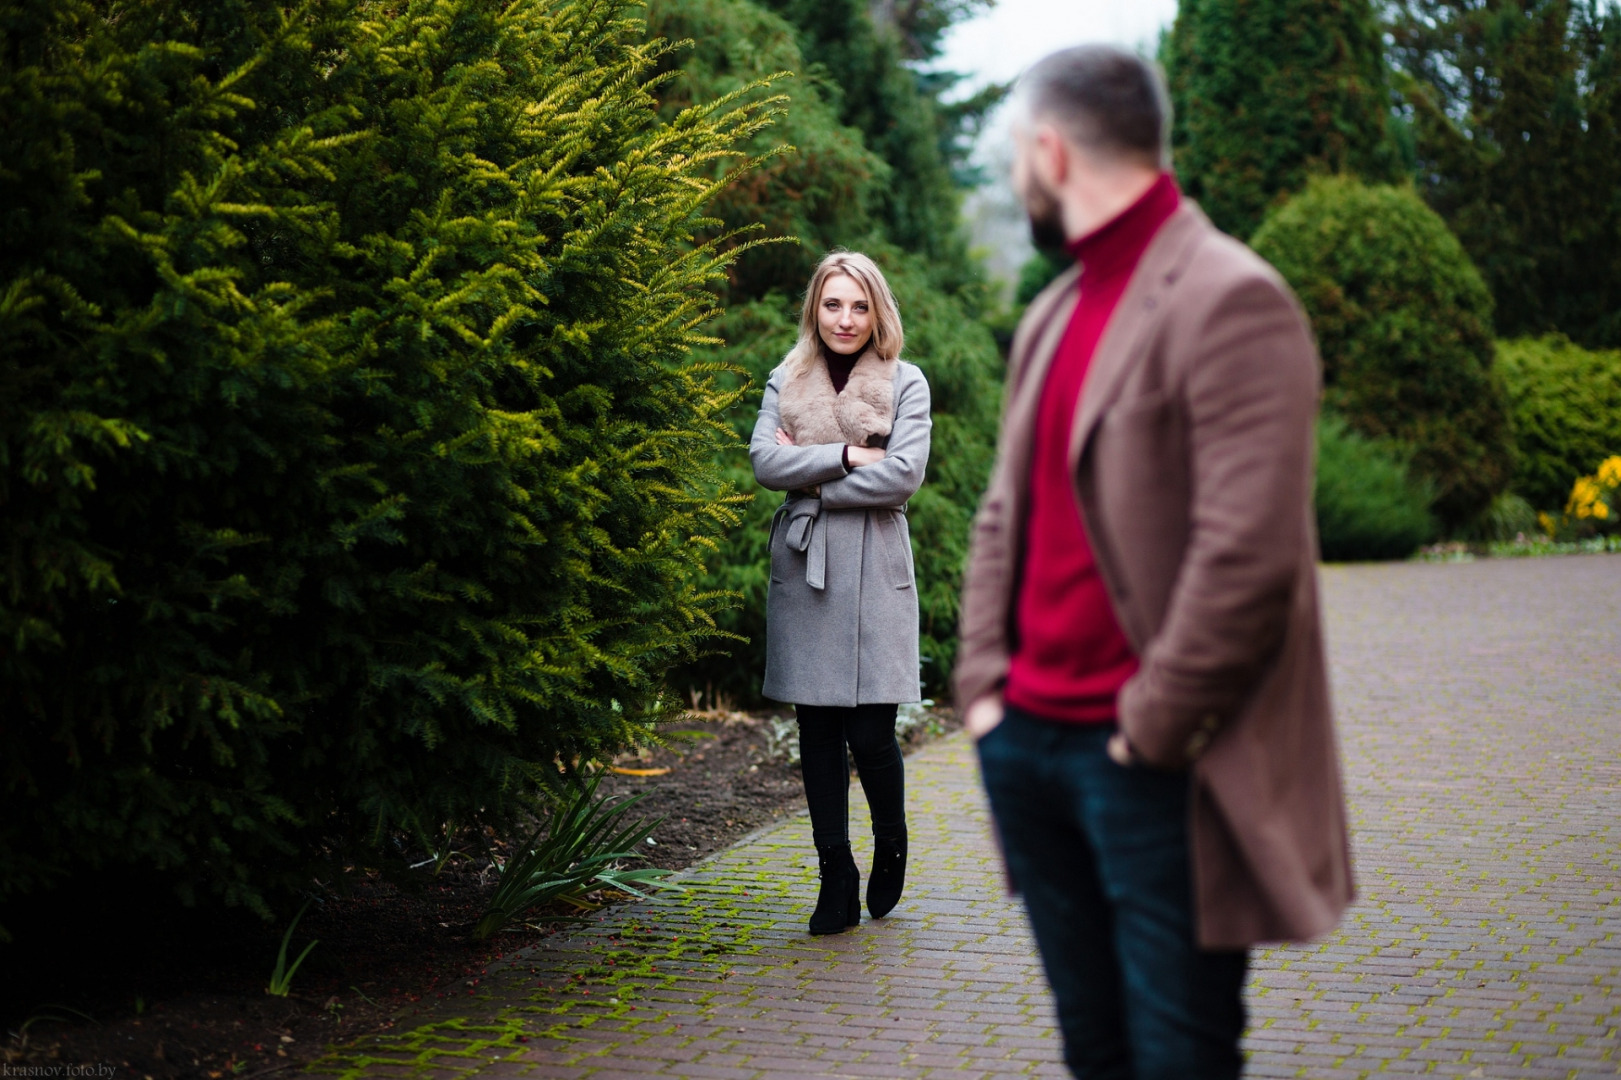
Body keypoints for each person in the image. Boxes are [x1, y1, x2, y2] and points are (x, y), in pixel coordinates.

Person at [953, 45, 1354, 1078]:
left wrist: (1148, 733)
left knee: (1178, 1058)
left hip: (1151, 768)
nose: (1014, 184)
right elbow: (1003, 515)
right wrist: (985, 696)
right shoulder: (1052, 312)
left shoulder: (1231, 296)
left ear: (1049, 150)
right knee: (1095, 1053)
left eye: (1014, 162)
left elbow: (1248, 555)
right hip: (1029, 750)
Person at [750, 250, 932, 936]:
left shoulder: (905, 383)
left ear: (876, 310)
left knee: (871, 732)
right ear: (814, 310)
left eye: (858, 305)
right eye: (832, 304)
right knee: (818, 731)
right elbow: (765, 460)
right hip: (807, 570)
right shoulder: (785, 378)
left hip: (878, 566)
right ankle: (835, 875)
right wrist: (851, 456)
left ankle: (890, 838)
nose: (845, 318)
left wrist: (811, 474)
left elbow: (904, 475)